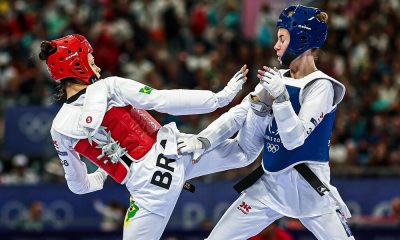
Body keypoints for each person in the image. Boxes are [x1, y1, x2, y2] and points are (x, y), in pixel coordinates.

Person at [42, 34, 254, 239]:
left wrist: (102, 173)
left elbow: (79, 186)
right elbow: (163, 100)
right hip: (174, 152)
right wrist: (218, 99)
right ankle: (257, 102)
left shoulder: (59, 130)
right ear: (76, 64)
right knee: (242, 153)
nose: (97, 66)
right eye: (91, 60)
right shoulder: (110, 86)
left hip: (150, 188)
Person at [179, 5, 354, 239]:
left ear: (301, 39)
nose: (276, 45)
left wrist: (281, 99)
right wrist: (204, 140)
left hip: (310, 191)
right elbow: (239, 115)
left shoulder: (321, 86)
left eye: (282, 38)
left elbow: (295, 139)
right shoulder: (275, 78)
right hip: (269, 188)